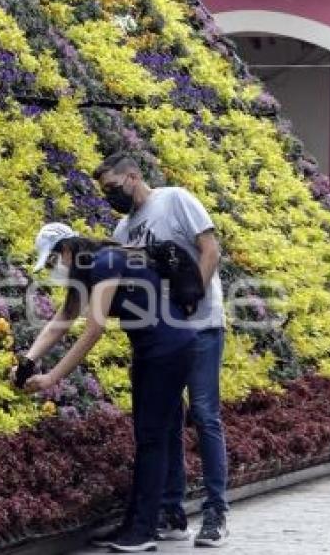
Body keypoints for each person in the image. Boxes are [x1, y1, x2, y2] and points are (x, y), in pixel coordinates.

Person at [12, 222, 197, 553]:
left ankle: (143, 531)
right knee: (160, 435)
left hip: (166, 350)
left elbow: (94, 329)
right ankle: (150, 521)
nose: (56, 268)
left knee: (151, 439)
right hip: (159, 349)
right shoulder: (91, 269)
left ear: (68, 250)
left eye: (54, 260)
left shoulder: (105, 263)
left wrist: (52, 378)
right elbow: (62, 320)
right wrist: (27, 362)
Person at [93, 152, 229, 547]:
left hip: (200, 323)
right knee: (167, 421)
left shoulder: (175, 200)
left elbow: (210, 250)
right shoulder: (123, 229)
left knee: (204, 415)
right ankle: (172, 510)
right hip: (164, 335)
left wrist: (192, 294)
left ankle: (216, 513)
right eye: (104, 192)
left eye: (113, 188)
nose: (110, 197)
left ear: (133, 176)